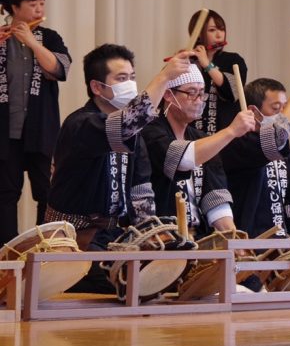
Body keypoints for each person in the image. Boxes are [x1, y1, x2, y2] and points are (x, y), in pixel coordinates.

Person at [47, 47, 193, 248]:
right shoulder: (80, 124)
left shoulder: (134, 133)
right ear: (97, 87)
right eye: (122, 78)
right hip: (71, 238)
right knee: (104, 279)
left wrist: (149, 235)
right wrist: (164, 77)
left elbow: (140, 189)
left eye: (132, 77)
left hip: (113, 236)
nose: (131, 84)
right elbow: (128, 122)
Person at [142, 63, 256, 235]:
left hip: (197, 236)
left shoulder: (201, 139)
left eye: (201, 94)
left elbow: (215, 197)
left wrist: (232, 236)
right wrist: (231, 131)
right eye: (191, 93)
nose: (198, 100)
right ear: (168, 94)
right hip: (162, 236)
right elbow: (182, 159)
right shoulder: (150, 131)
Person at [0, 0, 72, 242]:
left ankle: (45, 249)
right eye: (33, 4)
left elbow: (59, 70)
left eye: (42, 3)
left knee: (47, 192)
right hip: (6, 131)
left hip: (41, 129)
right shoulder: (1, 37)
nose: (39, 9)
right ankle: (6, 253)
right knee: (6, 193)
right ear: (15, 8)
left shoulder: (50, 37)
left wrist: (32, 42)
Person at [220, 73, 290, 236]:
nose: (283, 114)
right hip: (247, 243)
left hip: (281, 244)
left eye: (285, 107)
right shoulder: (236, 144)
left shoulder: (288, 155)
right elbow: (278, 135)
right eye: (276, 108)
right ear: (253, 111)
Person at [187, 9, 248, 134]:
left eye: (221, 29)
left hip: (226, 135)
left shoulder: (233, 60)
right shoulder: (188, 61)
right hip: (192, 134)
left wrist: (207, 64)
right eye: (212, 30)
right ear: (198, 34)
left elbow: (233, 92)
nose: (219, 35)